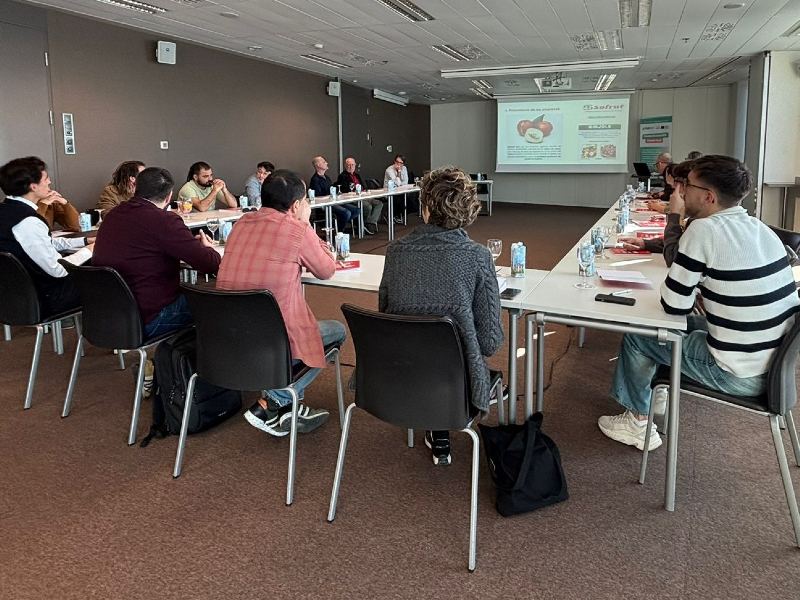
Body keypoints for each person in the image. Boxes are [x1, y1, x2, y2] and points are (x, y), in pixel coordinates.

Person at [598, 155, 800, 451]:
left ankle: (638, 423)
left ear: (708, 196)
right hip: (774, 364)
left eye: (688, 186)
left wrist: (675, 216)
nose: (680, 192)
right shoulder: (759, 227)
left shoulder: (704, 230)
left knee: (640, 334)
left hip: (738, 373)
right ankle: (655, 393)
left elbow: (674, 306)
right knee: (682, 326)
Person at [379, 166, 504, 466]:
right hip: (456, 383)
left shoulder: (396, 252)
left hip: (400, 373)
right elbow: (489, 343)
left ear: (425, 208)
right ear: (468, 210)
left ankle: (434, 426)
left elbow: (386, 316)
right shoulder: (477, 257)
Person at [217, 169, 346, 436]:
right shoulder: (297, 230)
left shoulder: (240, 224)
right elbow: (326, 270)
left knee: (291, 322)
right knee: (336, 331)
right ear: (296, 206)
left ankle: (288, 409)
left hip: (230, 335)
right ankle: (276, 401)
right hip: (273, 338)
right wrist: (306, 224)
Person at [92, 167, 221, 337]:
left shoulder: (113, 215)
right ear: (169, 196)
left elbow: (145, 246)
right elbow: (211, 264)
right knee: (219, 304)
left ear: (136, 189)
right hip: (150, 317)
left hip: (108, 316)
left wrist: (188, 244)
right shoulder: (164, 221)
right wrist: (208, 248)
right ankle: (188, 353)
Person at [0, 156, 92, 315]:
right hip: (46, 298)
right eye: (46, 179)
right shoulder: (28, 221)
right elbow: (58, 270)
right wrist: (89, 250)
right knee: (111, 281)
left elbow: (42, 243)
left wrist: (84, 241)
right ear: (33, 186)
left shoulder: (5, 211)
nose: (49, 182)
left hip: (13, 296)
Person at [620, 161, 692, 267]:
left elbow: (672, 257)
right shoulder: (695, 219)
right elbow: (679, 243)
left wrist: (674, 214)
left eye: (678, 184)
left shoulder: (702, 224)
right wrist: (645, 243)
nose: (675, 192)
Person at [308, 156, 358, 233]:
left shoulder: (327, 178)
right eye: (324, 162)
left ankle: (338, 226)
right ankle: (339, 231)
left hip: (333, 202)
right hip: (325, 205)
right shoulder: (315, 180)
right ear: (318, 165)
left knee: (356, 210)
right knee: (346, 213)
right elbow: (318, 196)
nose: (327, 163)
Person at [336, 157, 383, 234]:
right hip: (353, 198)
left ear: (355, 165)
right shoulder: (342, 176)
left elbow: (363, 187)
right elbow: (345, 190)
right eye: (349, 165)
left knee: (379, 203)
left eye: (352, 165)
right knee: (367, 206)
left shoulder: (357, 175)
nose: (351, 167)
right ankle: (363, 224)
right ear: (345, 166)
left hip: (363, 196)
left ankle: (370, 223)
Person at [383, 154, 418, 221]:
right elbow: (398, 183)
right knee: (398, 201)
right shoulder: (389, 170)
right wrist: (399, 171)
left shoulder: (404, 168)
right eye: (397, 162)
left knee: (410, 203)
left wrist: (399, 184)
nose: (398, 164)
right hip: (389, 192)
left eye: (400, 163)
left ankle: (399, 214)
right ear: (394, 162)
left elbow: (405, 181)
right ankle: (390, 215)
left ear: (403, 164)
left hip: (400, 191)